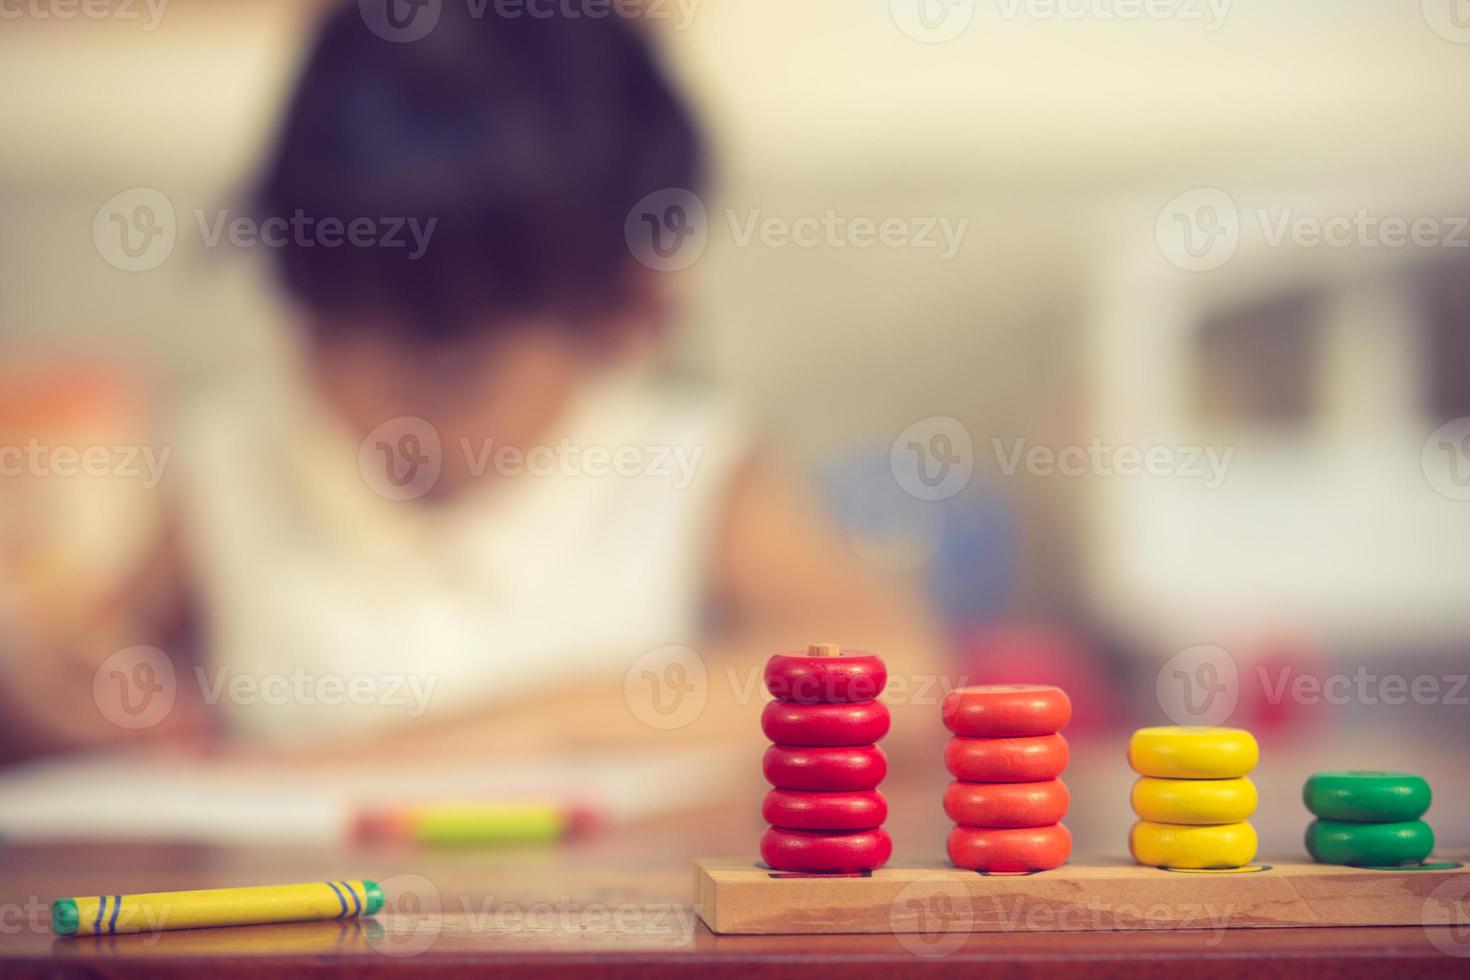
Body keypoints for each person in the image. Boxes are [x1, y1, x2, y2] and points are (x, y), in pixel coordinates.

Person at [0, 3, 937, 765]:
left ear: (630, 314)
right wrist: (56, 698)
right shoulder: (233, 466)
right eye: (326, 342)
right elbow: (99, 678)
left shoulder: (682, 466)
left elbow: (903, 674)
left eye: (451, 373)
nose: (372, 415)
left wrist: (505, 731)